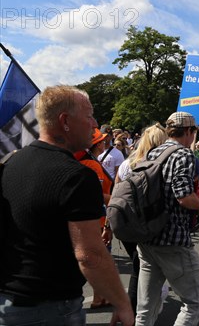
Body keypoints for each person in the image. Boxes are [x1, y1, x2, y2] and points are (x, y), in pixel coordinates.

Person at [0, 85, 133, 326]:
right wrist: (122, 302)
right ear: (65, 121)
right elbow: (90, 255)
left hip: (9, 302)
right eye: (89, 115)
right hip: (49, 307)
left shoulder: (12, 163)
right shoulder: (77, 176)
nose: (94, 124)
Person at [135, 112, 199, 326]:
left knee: (145, 308)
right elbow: (183, 196)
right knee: (194, 302)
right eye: (193, 131)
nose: (194, 136)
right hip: (173, 239)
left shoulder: (152, 152)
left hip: (147, 237)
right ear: (188, 131)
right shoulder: (183, 155)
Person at [114, 123, 168, 315]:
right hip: (147, 225)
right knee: (144, 269)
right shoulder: (158, 165)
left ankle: (136, 310)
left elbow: (116, 192)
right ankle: (138, 311)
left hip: (124, 223)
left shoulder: (127, 163)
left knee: (139, 267)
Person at [74, 127, 115, 309]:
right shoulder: (92, 165)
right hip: (96, 219)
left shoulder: (87, 162)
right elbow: (97, 193)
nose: (105, 142)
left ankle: (100, 296)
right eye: (102, 140)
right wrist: (118, 200)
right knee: (97, 261)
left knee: (98, 260)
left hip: (90, 217)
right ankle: (99, 297)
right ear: (97, 145)